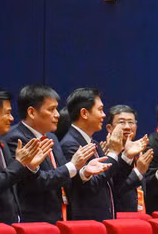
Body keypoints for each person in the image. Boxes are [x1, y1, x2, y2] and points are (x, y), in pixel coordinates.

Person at [3, 84, 108, 223]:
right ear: (32, 112)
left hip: (58, 220)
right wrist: (73, 165)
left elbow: (62, 175)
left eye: (57, 109)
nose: (58, 114)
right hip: (33, 221)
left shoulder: (52, 137)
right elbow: (37, 181)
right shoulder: (16, 139)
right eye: (51, 109)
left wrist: (83, 172)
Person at [60, 88, 147, 221]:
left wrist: (126, 157)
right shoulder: (70, 144)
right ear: (84, 113)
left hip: (102, 220)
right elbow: (91, 186)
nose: (104, 115)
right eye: (100, 110)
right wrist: (113, 153)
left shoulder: (91, 141)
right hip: (87, 222)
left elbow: (113, 182)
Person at [0, 87, 54, 224]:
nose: (11, 118)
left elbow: (11, 180)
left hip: (12, 225)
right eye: (7, 113)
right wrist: (19, 164)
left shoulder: (1, 144)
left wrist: (29, 166)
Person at [105, 105, 153, 213]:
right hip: (119, 217)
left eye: (131, 122)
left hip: (142, 216)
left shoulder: (143, 151)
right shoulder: (105, 155)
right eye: (121, 122)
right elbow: (115, 189)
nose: (127, 127)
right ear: (109, 128)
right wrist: (138, 172)